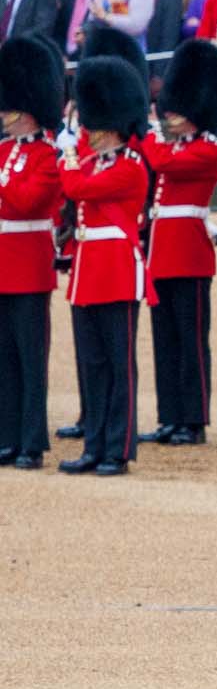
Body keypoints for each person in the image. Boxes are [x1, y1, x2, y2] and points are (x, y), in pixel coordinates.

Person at [57, 52, 149, 477]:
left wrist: (71, 157)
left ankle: (118, 447)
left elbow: (77, 188)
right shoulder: (95, 159)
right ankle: (95, 445)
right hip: (89, 269)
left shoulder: (130, 167)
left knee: (118, 364)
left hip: (115, 268)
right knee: (93, 364)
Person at [138, 41, 217, 447]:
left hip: (190, 254)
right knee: (166, 340)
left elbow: (161, 162)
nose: (169, 116)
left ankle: (193, 420)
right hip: (163, 253)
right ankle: (170, 415)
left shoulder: (208, 150)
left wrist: (144, 131)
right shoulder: (175, 144)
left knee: (190, 341)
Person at [0, 35, 66, 468]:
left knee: (30, 358)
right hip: (5, 262)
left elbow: (28, 202)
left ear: (25, 113)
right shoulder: (5, 151)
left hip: (29, 262)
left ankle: (31, 440)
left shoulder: (48, 155)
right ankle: (7, 436)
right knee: (5, 359)